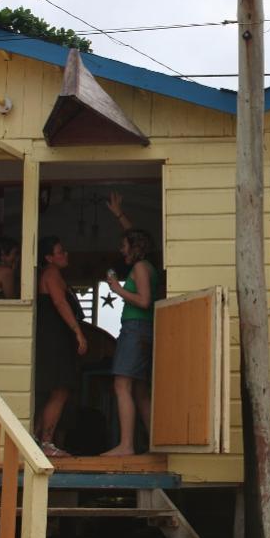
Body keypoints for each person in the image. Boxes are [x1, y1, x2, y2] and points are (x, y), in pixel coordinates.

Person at [102, 192, 159, 457]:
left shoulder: (139, 268)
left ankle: (126, 445)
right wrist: (119, 215)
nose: (121, 249)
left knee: (121, 385)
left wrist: (117, 289)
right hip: (143, 330)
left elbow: (144, 301)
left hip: (135, 329)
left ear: (134, 248)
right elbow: (134, 235)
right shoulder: (148, 265)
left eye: (124, 245)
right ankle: (155, 443)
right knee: (139, 390)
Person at [34, 236, 88, 457]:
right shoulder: (51, 273)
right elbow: (60, 302)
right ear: (49, 258)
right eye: (60, 251)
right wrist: (78, 332)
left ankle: (38, 439)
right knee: (59, 389)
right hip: (54, 339)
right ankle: (46, 443)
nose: (65, 254)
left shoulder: (52, 273)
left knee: (55, 391)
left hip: (54, 338)